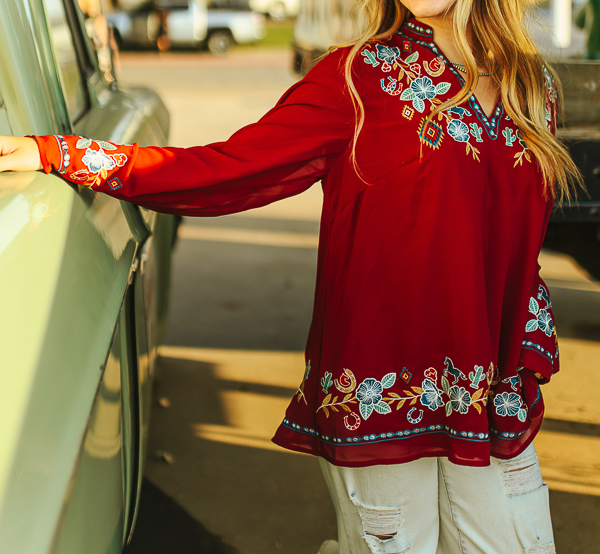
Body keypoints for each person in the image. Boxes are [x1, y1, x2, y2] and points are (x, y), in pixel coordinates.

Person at [0, 0, 583, 552]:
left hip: (492, 399)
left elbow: (515, 247)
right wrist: (64, 155)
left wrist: (521, 346)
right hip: (378, 396)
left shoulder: (533, 90)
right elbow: (223, 171)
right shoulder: (356, 78)